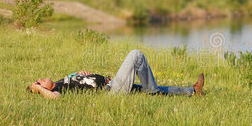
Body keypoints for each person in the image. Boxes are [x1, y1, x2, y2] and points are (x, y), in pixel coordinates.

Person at [28, 49, 204, 99]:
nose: (40, 79)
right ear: (44, 89)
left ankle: (192, 91)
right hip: (112, 91)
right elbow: (55, 98)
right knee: (136, 55)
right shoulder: (57, 90)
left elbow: (81, 80)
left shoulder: (61, 81)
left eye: (38, 80)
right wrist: (39, 89)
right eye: (39, 82)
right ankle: (151, 89)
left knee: (151, 90)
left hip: (111, 84)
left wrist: (81, 74)